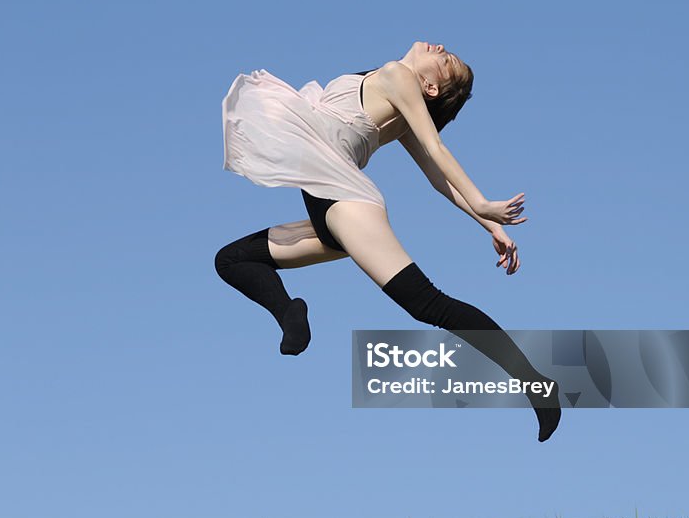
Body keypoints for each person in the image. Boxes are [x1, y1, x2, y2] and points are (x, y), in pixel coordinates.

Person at [215, 41, 560, 442]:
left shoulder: (399, 75)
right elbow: (438, 181)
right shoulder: (388, 88)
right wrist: (490, 226)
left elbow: (436, 151)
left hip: (345, 201)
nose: (442, 48)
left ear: (430, 87)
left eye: (445, 62)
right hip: (326, 204)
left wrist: (484, 205)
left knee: (428, 304)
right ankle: (290, 311)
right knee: (232, 260)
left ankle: (535, 383)